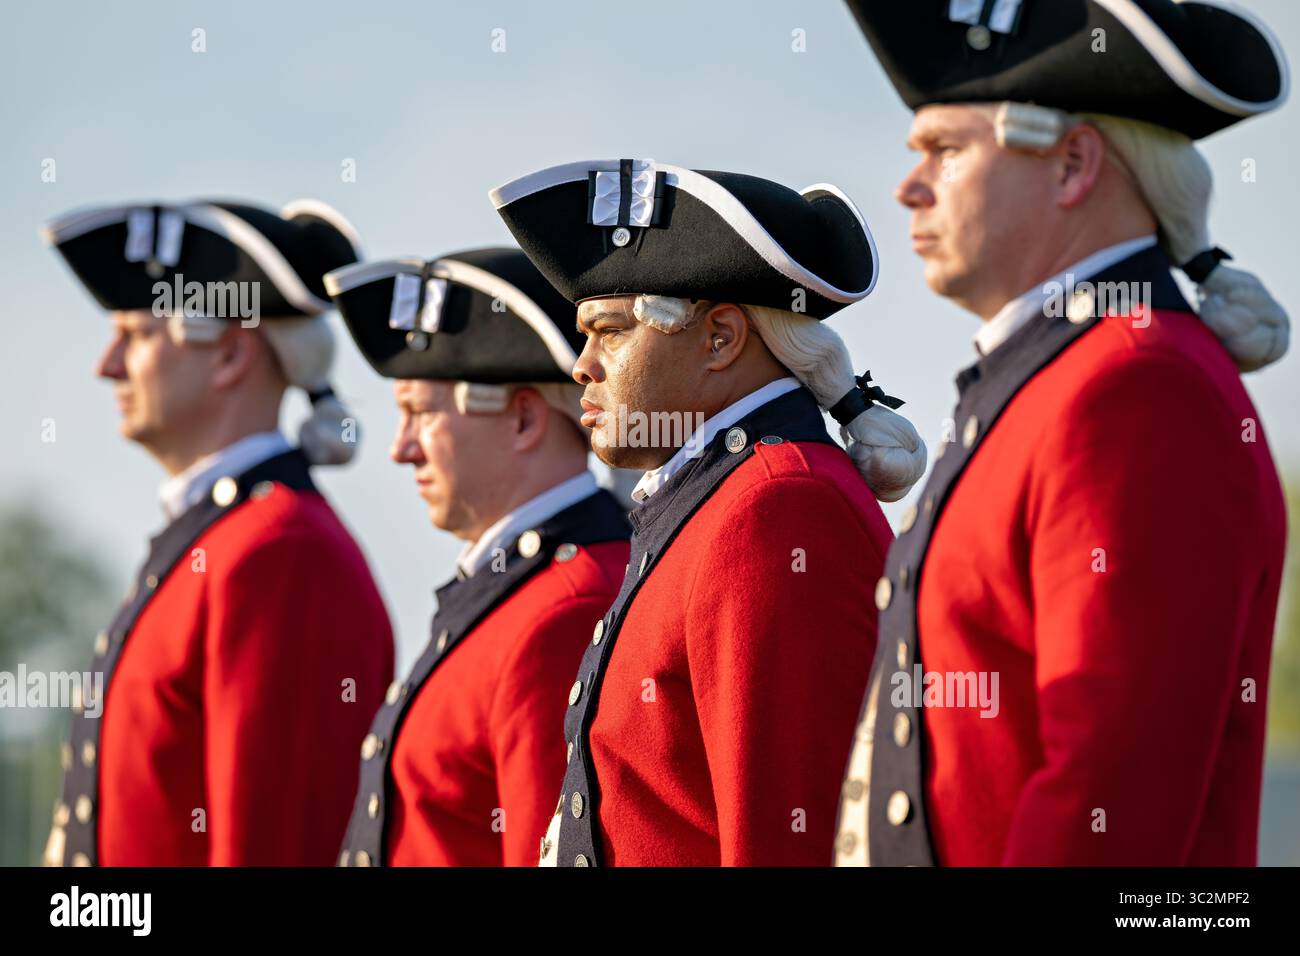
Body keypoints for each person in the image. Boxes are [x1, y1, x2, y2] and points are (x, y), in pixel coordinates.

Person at [835, 0, 1290, 866]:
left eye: (947, 149)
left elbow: (1106, 800)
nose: (908, 186)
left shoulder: (1137, 387)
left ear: (1074, 163)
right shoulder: (1069, 375)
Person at [491, 158, 927, 865]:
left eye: (610, 331)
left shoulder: (778, 507)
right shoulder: (723, 500)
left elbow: (788, 839)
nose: (582, 365)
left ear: (720, 338)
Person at [40, 198, 394, 866]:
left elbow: (275, 845)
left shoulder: (282, 552)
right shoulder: (230, 538)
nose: (106, 365)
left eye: (137, 335)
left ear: (232, 354)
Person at [326, 247, 631, 866]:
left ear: (523, 419)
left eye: (419, 413)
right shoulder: (525, 588)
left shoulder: (568, 607)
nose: (399, 449)